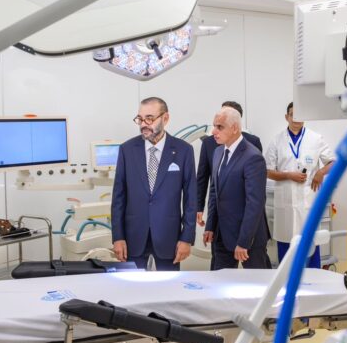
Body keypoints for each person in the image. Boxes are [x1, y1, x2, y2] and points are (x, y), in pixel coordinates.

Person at [111, 97, 196, 271]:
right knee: (132, 286)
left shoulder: (184, 151)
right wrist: (118, 237)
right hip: (133, 238)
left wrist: (187, 238)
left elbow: (191, 199)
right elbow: (118, 197)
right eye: (140, 119)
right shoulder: (127, 150)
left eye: (149, 118)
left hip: (168, 237)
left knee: (169, 286)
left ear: (165, 118)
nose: (144, 124)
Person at [265, 102, 335, 268]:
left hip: (308, 200)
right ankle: (286, 279)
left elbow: (333, 162)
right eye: (292, 115)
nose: (296, 118)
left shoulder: (315, 138)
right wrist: (288, 175)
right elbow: (267, 171)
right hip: (286, 202)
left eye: (300, 115)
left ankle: (314, 277)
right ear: (286, 117)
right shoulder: (277, 141)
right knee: (285, 243)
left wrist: (320, 173)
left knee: (310, 241)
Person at [196, 101, 261, 269]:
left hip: (247, 237)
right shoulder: (218, 152)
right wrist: (211, 226)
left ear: (234, 128)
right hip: (222, 233)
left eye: (219, 127)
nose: (213, 131)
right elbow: (214, 191)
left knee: (257, 281)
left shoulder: (252, 156)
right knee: (218, 280)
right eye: (214, 126)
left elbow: (254, 204)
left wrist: (244, 241)